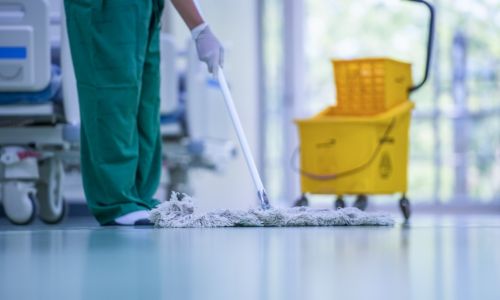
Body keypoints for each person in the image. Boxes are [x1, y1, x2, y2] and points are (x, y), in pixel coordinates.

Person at [64, 0, 223, 225]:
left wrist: (199, 28)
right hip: (107, 8)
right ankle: (116, 201)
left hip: (143, 8)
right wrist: (198, 27)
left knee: (145, 103)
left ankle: (139, 196)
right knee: (113, 97)